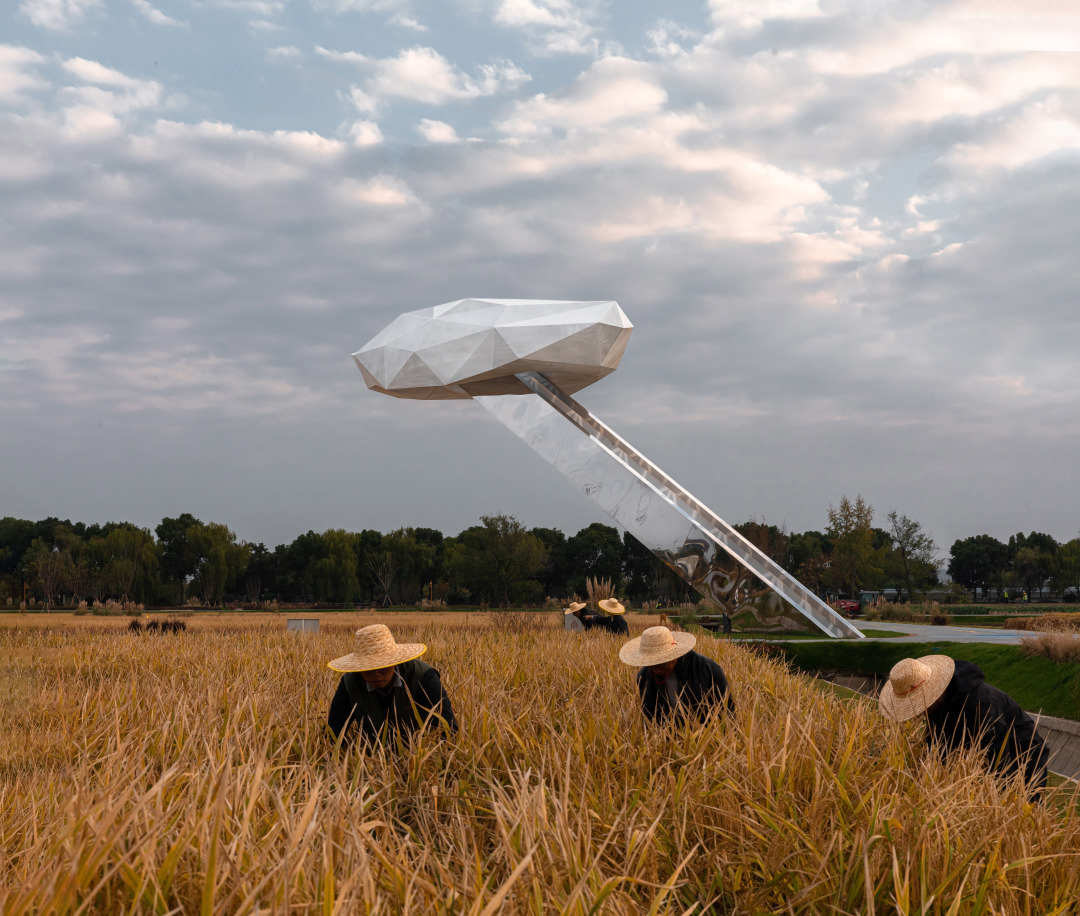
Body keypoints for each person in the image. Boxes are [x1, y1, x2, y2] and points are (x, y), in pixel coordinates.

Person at [878, 655, 1048, 793]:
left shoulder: (982, 707)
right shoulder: (938, 706)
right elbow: (938, 748)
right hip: (982, 754)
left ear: (934, 695)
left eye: (917, 705)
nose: (917, 712)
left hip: (1023, 759)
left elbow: (999, 766)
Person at [327, 624, 457, 746]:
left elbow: (448, 729)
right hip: (374, 756)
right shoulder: (350, 683)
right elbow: (333, 731)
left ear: (394, 662)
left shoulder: (422, 677)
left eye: (382, 666)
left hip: (417, 753)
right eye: (368, 668)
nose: (376, 674)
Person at [619, 625, 735, 722]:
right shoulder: (644, 677)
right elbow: (650, 717)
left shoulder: (708, 670)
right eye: (650, 661)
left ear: (674, 654)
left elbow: (728, 713)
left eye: (660, 661)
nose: (655, 668)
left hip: (704, 740)